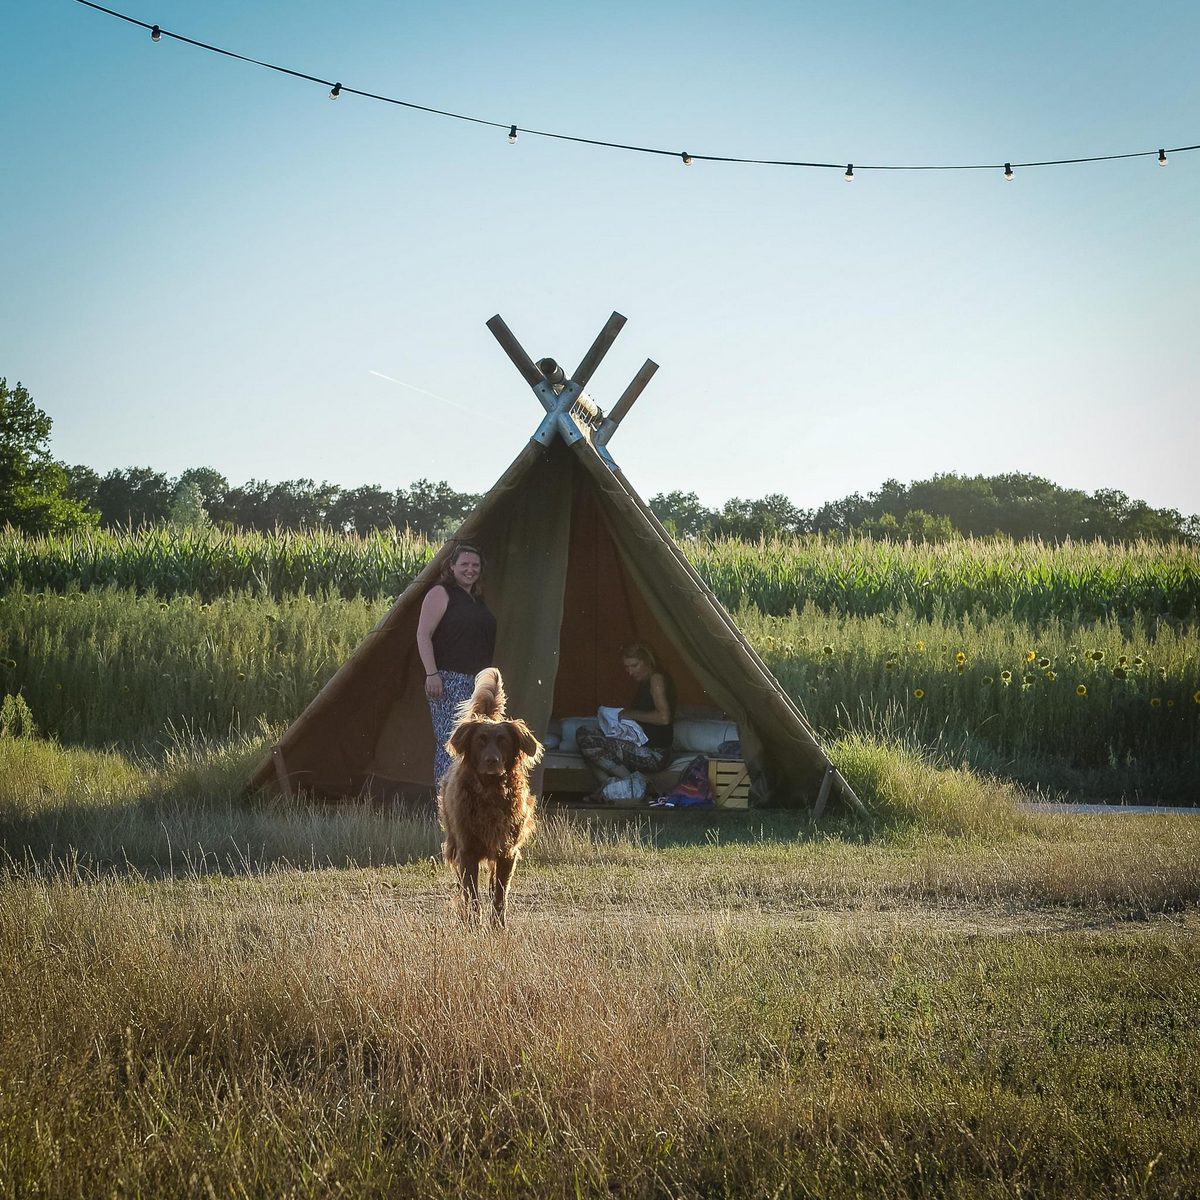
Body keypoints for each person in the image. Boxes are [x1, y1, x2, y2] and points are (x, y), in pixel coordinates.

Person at [416, 542, 497, 785]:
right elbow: (423, 635)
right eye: (464, 564)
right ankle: (445, 805)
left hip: (476, 684)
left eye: (475, 565)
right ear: (451, 567)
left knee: (474, 743)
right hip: (448, 680)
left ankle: (464, 803)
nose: (470, 570)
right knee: (451, 743)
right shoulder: (440, 593)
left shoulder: (476, 600)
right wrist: (432, 674)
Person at [577, 642, 676, 802]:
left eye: (634, 666)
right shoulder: (644, 682)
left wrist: (629, 714)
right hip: (640, 746)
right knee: (585, 733)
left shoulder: (656, 679)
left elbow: (663, 717)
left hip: (655, 754)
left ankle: (636, 783)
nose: (629, 671)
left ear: (647, 661)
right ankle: (611, 785)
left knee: (590, 743)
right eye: (626, 667)